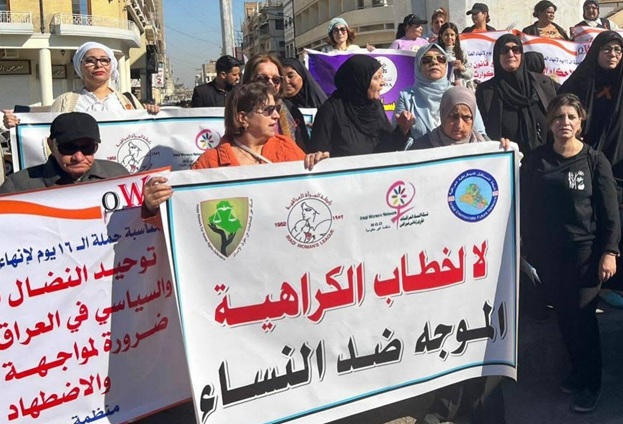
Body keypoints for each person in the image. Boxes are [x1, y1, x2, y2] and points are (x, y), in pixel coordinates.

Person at [407, 87, 508, 424]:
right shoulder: (423, 148)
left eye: (466, 117)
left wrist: (506, 154)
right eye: (453, 116)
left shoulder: (485, 147)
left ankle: (479, 404)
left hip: (477, 257)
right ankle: (445, 403)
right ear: (441, 116)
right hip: (438, 256)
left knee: (478, 328)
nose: (460, 124)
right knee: (444, 330)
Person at [521, 93, 620, 414]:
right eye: (558, 117)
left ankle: (592, 383)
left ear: (580, 123)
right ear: (550, 122)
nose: (564, 122)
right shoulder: (536, 160)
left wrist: (610, 251)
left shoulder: (594, 161)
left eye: (571, 117)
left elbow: (610, 213)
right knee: (564, 317)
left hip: (586, 255)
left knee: (583, 318)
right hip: (549, 256)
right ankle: (577, 371)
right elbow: (524, 204)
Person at [142, 83, 329, 213]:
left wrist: (321, 169)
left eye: (276, 109)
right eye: (268, 110)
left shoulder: (285, 147)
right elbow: (184, 212)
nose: (276, 116)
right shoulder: (211, 162)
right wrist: (153, 206)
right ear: (242, 118)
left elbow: (315, 194)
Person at [559, 31, 623, 307]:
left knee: (615, 216)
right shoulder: (581, 81)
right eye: (607, 49)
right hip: (584, 160)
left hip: (618, 163)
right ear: (596, 52)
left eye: (618, 50)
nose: (613, 55)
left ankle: (614, 282)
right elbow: (561, 110)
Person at [2, 42, 158, 128]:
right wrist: (17, 122)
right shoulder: (65, 102)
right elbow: (46, 133)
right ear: (79, 67)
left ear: (112, 66)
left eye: (104, 60)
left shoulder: (128, 101)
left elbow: (145, 132)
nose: (98, 65)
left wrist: (154, 114)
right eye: (90, 60)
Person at [0, 112, 128, 194]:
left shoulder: (118, 175)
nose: (79, 157)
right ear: (51, 145)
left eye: (87, 147)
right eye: (68, 148)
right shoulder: (17, 187)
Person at [309, 55, 409, 157]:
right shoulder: (330, 111)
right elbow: (317, 154)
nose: (382, 82)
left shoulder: (376, 107)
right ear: (359, 79)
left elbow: (389, 146)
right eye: (376, 78)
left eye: (382, 76)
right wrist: (321, 158)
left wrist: (402, 129)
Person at [476, 34, 558, 153]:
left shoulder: (543, 83)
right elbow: (481, 132)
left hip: (545, 159)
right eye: (504, 50)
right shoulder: (486, 91)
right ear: (497, 55)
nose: (510, 54)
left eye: (516, 49)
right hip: (508, 159)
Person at [394, 43, 487, 142]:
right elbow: (394, 139)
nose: (434, 62)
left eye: (441, 59)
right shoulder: (406, 96)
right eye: (427, 60)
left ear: (446, 65)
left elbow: (480, 134)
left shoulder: (461, 95)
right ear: (418, 66)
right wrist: (403, 128)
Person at [242, 54, 310, 152]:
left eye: (276, 79)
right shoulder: (238, 109)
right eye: (262, 78)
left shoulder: (292, 111)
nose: (270, 83)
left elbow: (304, 150)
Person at [437, 22, 475, 90]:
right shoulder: (436, 52)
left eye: (452, 35)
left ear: (456, 36)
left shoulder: (462, 51)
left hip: (461, 88)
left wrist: (461, 67)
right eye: (446, 35)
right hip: (442, 88)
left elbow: (471, 74)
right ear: (441, 36)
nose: (449, 37)